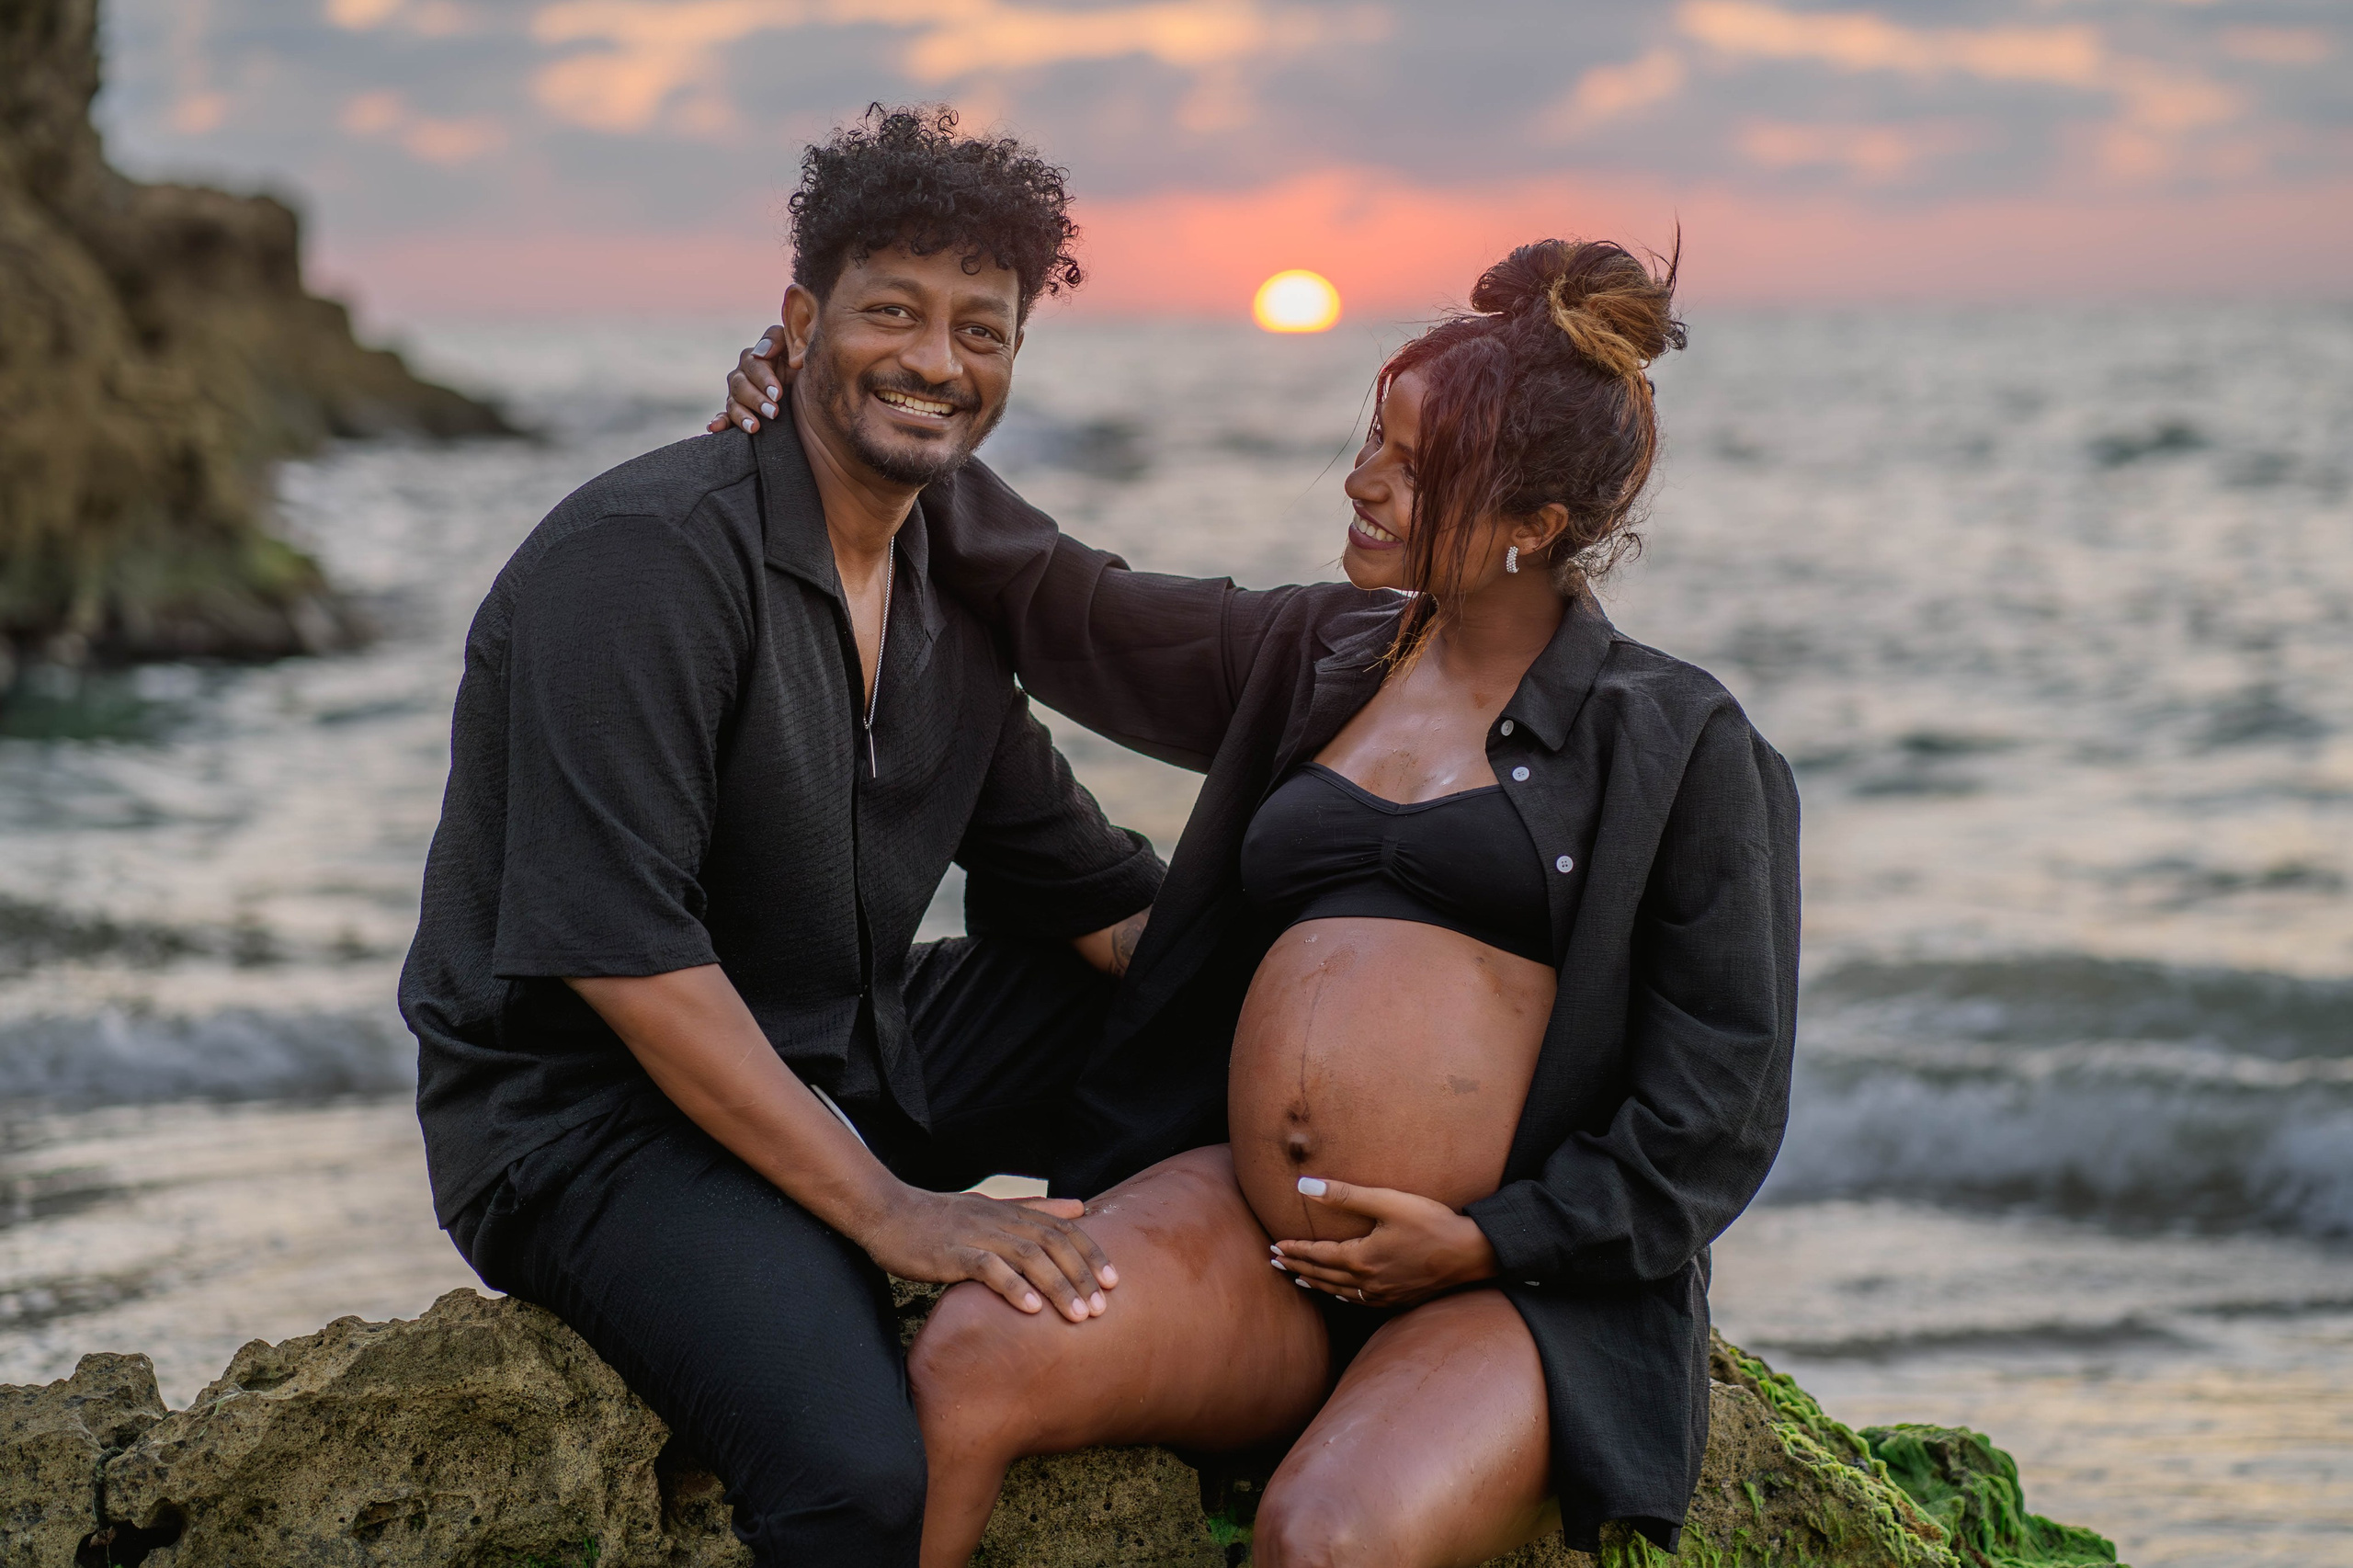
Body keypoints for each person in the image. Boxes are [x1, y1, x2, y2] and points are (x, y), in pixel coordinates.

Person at [715, 237, 1801, 1565]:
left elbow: (1718, 1108)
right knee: (976, 1357)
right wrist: (856, 413)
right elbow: (1072, 605)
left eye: (1415, 465)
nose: (1363, 479)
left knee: (1323, 1535)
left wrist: (1480, 1237)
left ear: (1537, 524)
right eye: (1375, 439)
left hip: (1515, 1287)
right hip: (1251, 1236)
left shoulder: (1682, 743)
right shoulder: (1310, 653)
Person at [397, 108, 1165, 1568]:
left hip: (841, 1041)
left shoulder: (945, 588)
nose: (938, 361)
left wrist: (1343, 1012)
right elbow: (626, 961)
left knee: (1183, 1001)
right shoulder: (643, 560)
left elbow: (1101, 901)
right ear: (801, 320)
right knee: (857, 1482)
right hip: (591, 1119)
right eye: (893, 312)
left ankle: (1208, 1331)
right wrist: (895, 1215)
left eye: (981, 332)